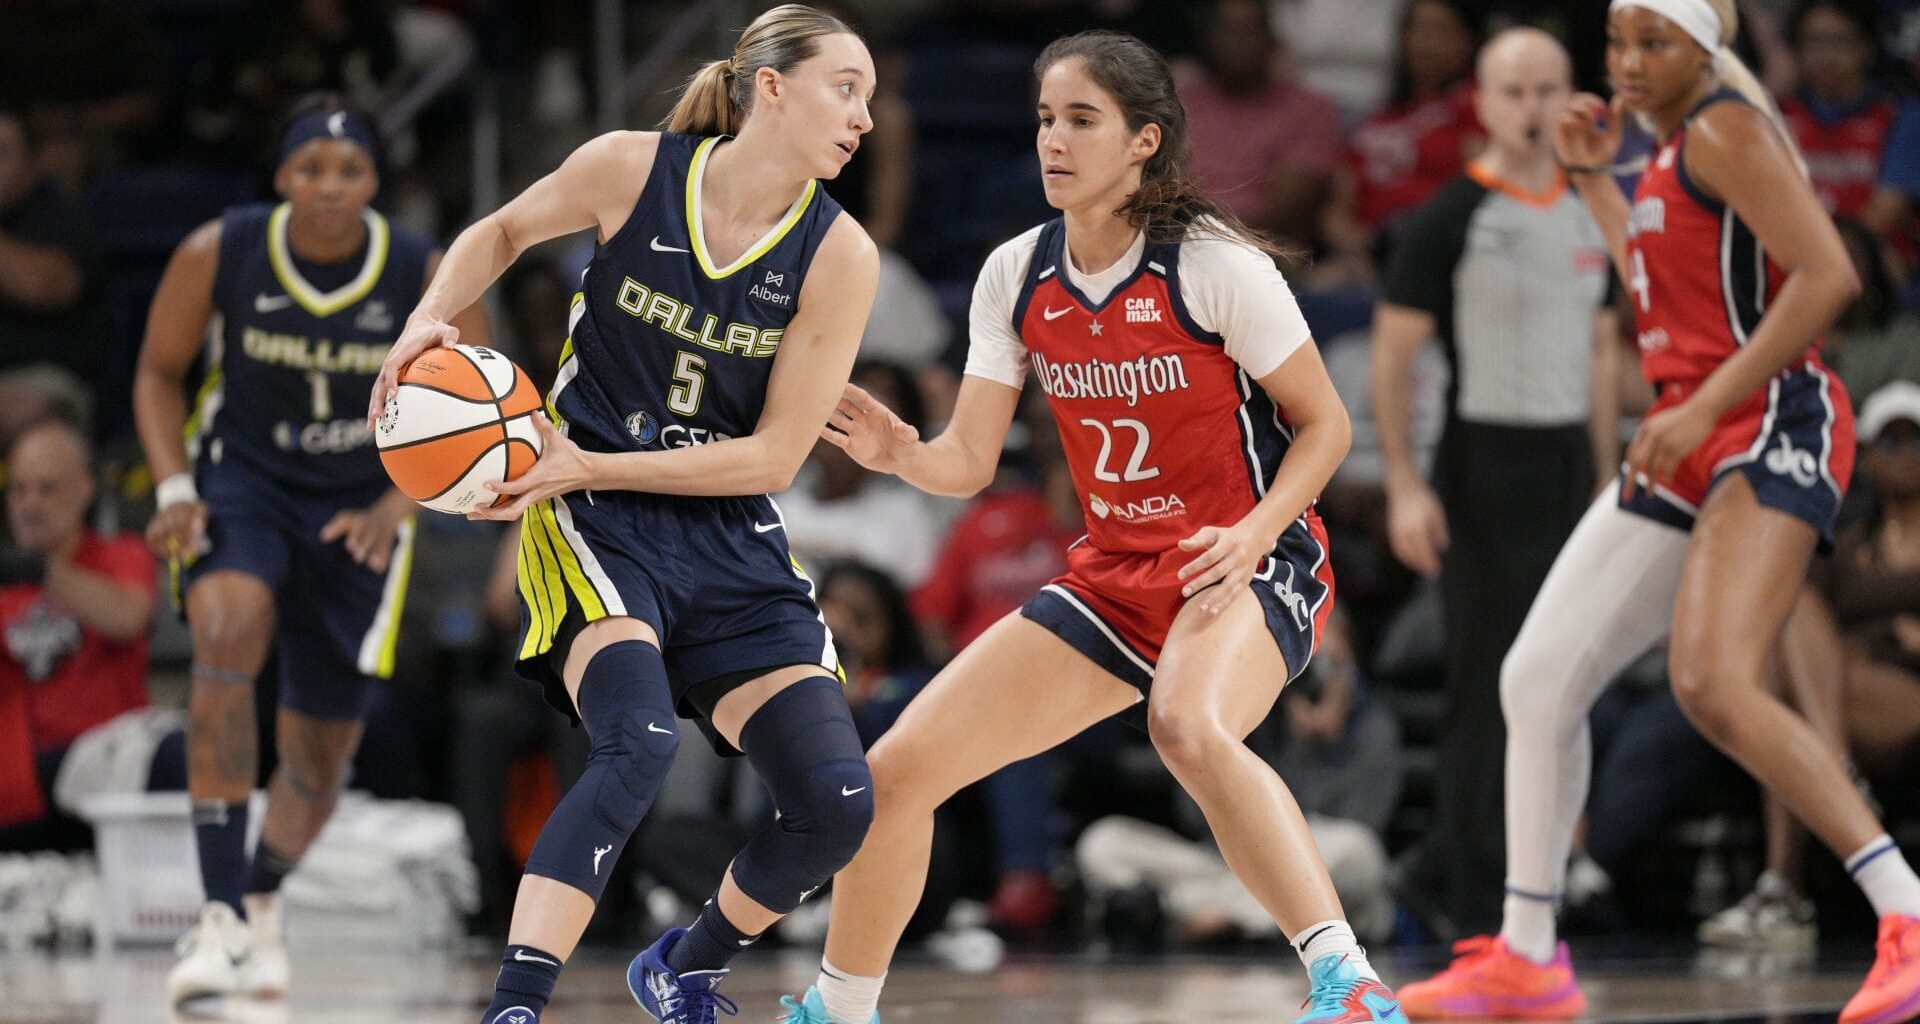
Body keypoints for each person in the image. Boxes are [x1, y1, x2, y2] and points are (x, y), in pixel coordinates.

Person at [777, 29, 1408, 1024]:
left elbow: (1325, 428)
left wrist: (1251, 536)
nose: (1053, 141)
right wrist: (901, 450)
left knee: (1186, 725)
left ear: (1144, 141)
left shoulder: (1212, 267)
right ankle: (838, 1008)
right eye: (1043, 120)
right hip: (1115, 575)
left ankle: (1348, 983)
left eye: (1081, 120)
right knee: (893, 773)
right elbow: (970, 465)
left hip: (1246, 558)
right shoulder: (1016, 274)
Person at [1396, 2, 1920, 1020]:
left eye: (1653, 43)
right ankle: (1529, 953)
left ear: (1705, 47)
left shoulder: (1728, 128)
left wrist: (1708, 408)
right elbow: (1662, 294)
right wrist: (1598, 183)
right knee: (1538, 676)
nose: (1628, 64)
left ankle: (1906, 912)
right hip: (1688, 430)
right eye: (1617, 43)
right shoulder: (1669, 153)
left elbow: (1831, 279)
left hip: (1771, 419)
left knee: (1714, 683)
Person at [364, 7, 882, 1024]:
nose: (865, 117)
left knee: (837, 803)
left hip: (718, 531)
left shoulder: (839, 253)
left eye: (868, 97)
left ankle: (685, 963)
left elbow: (775, 456)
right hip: (595, 518)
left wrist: (581, 456)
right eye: (846, 88)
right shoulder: (631, 169)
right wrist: (432, 314)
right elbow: (505, 228)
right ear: (770, 87)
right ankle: (516, 1006)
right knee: (638, 739)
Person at [133, 95, 488, 1006]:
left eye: (349, 170)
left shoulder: (424, 270)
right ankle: (214, 916)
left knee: (320, 757)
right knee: (227, 619)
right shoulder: (223, 249)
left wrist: (396, 506)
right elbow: (157, 373)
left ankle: (258, 900)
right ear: (282, 176)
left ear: (376, 180)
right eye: (309, 169)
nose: (328, 187)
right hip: (244, 482)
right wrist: (175, 489)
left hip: (360, 507)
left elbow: (478, 410)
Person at [1369, 28, 1617, 937]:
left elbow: (1599, 350)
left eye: (1547, 89)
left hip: (1564, 466)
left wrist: (1601, 475)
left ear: (1571, 98)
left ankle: (1532, 880)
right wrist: (1403, 483)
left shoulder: (1595, 209)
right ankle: (1468, 889)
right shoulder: (1452, 215)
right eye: (1513, 90)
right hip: (1482, 464)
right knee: (1492, 681)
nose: (1531, 108)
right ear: (1481, 100)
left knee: (1562, 682)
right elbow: (1394, 357)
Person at [0, 418, 165, 850]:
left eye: (46, 489)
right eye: (19, 489)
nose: (29, 504)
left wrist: (46, 571)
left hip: (106, 771)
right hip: (19, 781)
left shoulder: (121, 554)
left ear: (84, 491)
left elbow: (128, 616)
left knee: (173, 750)